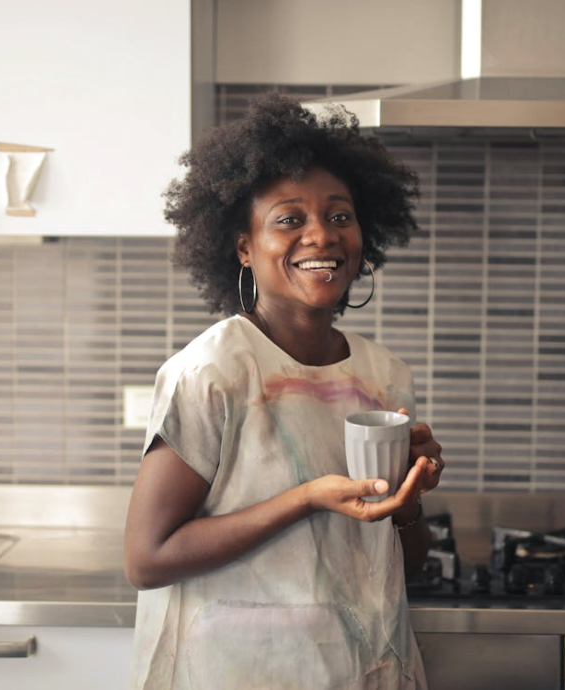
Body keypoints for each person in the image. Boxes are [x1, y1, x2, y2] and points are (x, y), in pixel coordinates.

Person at [123, 92, 445, 690]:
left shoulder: (384, 376)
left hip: (367, 668)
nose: (321, 236)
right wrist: (306, 498)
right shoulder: (214, 373)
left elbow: (407, 560)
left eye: (340, 216)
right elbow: (147, 559)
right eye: (289, 219)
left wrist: (410, 499)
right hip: (236, 673)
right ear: (244, 247)